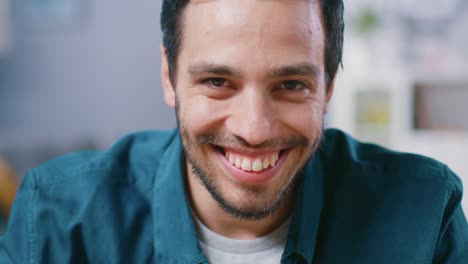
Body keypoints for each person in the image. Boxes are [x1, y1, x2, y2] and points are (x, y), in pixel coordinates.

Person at [1, 0, 467, 263]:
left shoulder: (424, 215)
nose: (254, 129)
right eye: (218, 82)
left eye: (290, 85)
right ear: (169, 77)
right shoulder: (57, 222)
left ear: (328, 90)